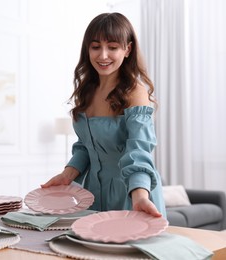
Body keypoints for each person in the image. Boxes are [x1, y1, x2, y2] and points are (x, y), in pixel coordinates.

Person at [41, 12, 166, 218]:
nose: (103, 55)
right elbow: (86, 147)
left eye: (113, 47)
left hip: (130, 193)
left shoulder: (135, 93)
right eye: (96, 46)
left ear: (127, 49)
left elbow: (139, 150)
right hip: (93, 192)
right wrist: (67, 175)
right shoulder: (86, 92)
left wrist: (140, 196)